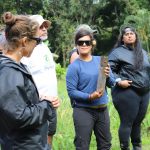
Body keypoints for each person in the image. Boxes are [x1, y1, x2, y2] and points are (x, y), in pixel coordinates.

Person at [0, 12, 55, 150]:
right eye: (37, 40)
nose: (37, 44)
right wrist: (46, 105)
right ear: (25, 41)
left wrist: (39, 99)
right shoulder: (9, 72)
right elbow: (18, 116)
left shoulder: (16, 67)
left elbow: (17, 104)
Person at [66, 24, 115, 150]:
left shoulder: (102, 61)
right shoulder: (74, 67)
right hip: (83, 110)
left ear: (92, 44)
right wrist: (89, 96)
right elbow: (72, 92)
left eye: (87, 42)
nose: (84, 45)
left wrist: (108, 75)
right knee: (82, 146)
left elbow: (111, 83)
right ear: (76, 44)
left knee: (105, 145)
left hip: (102, 110)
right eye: (80, 42)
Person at [108, 25, 150, 150]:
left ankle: (137, 146)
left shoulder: (143, 52)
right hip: (127, 91)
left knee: (138, 122)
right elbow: (109, 70)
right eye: (126, 34)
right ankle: (124, 147)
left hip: (145, 92)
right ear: (122, 38)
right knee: (127, 122)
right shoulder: (117, 53)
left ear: (136, 36)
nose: (130, 35)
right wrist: (119, 81)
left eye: (132, 33)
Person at [21, 15, 60, 148]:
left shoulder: (45, 48)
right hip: (37, 105)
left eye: (45, 27)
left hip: (52, 103)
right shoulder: (26, 51)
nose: (44, 29)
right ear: (31, 30)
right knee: (37, 140)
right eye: (40, 27)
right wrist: (39, 97)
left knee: (50, 134)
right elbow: (25, 80)